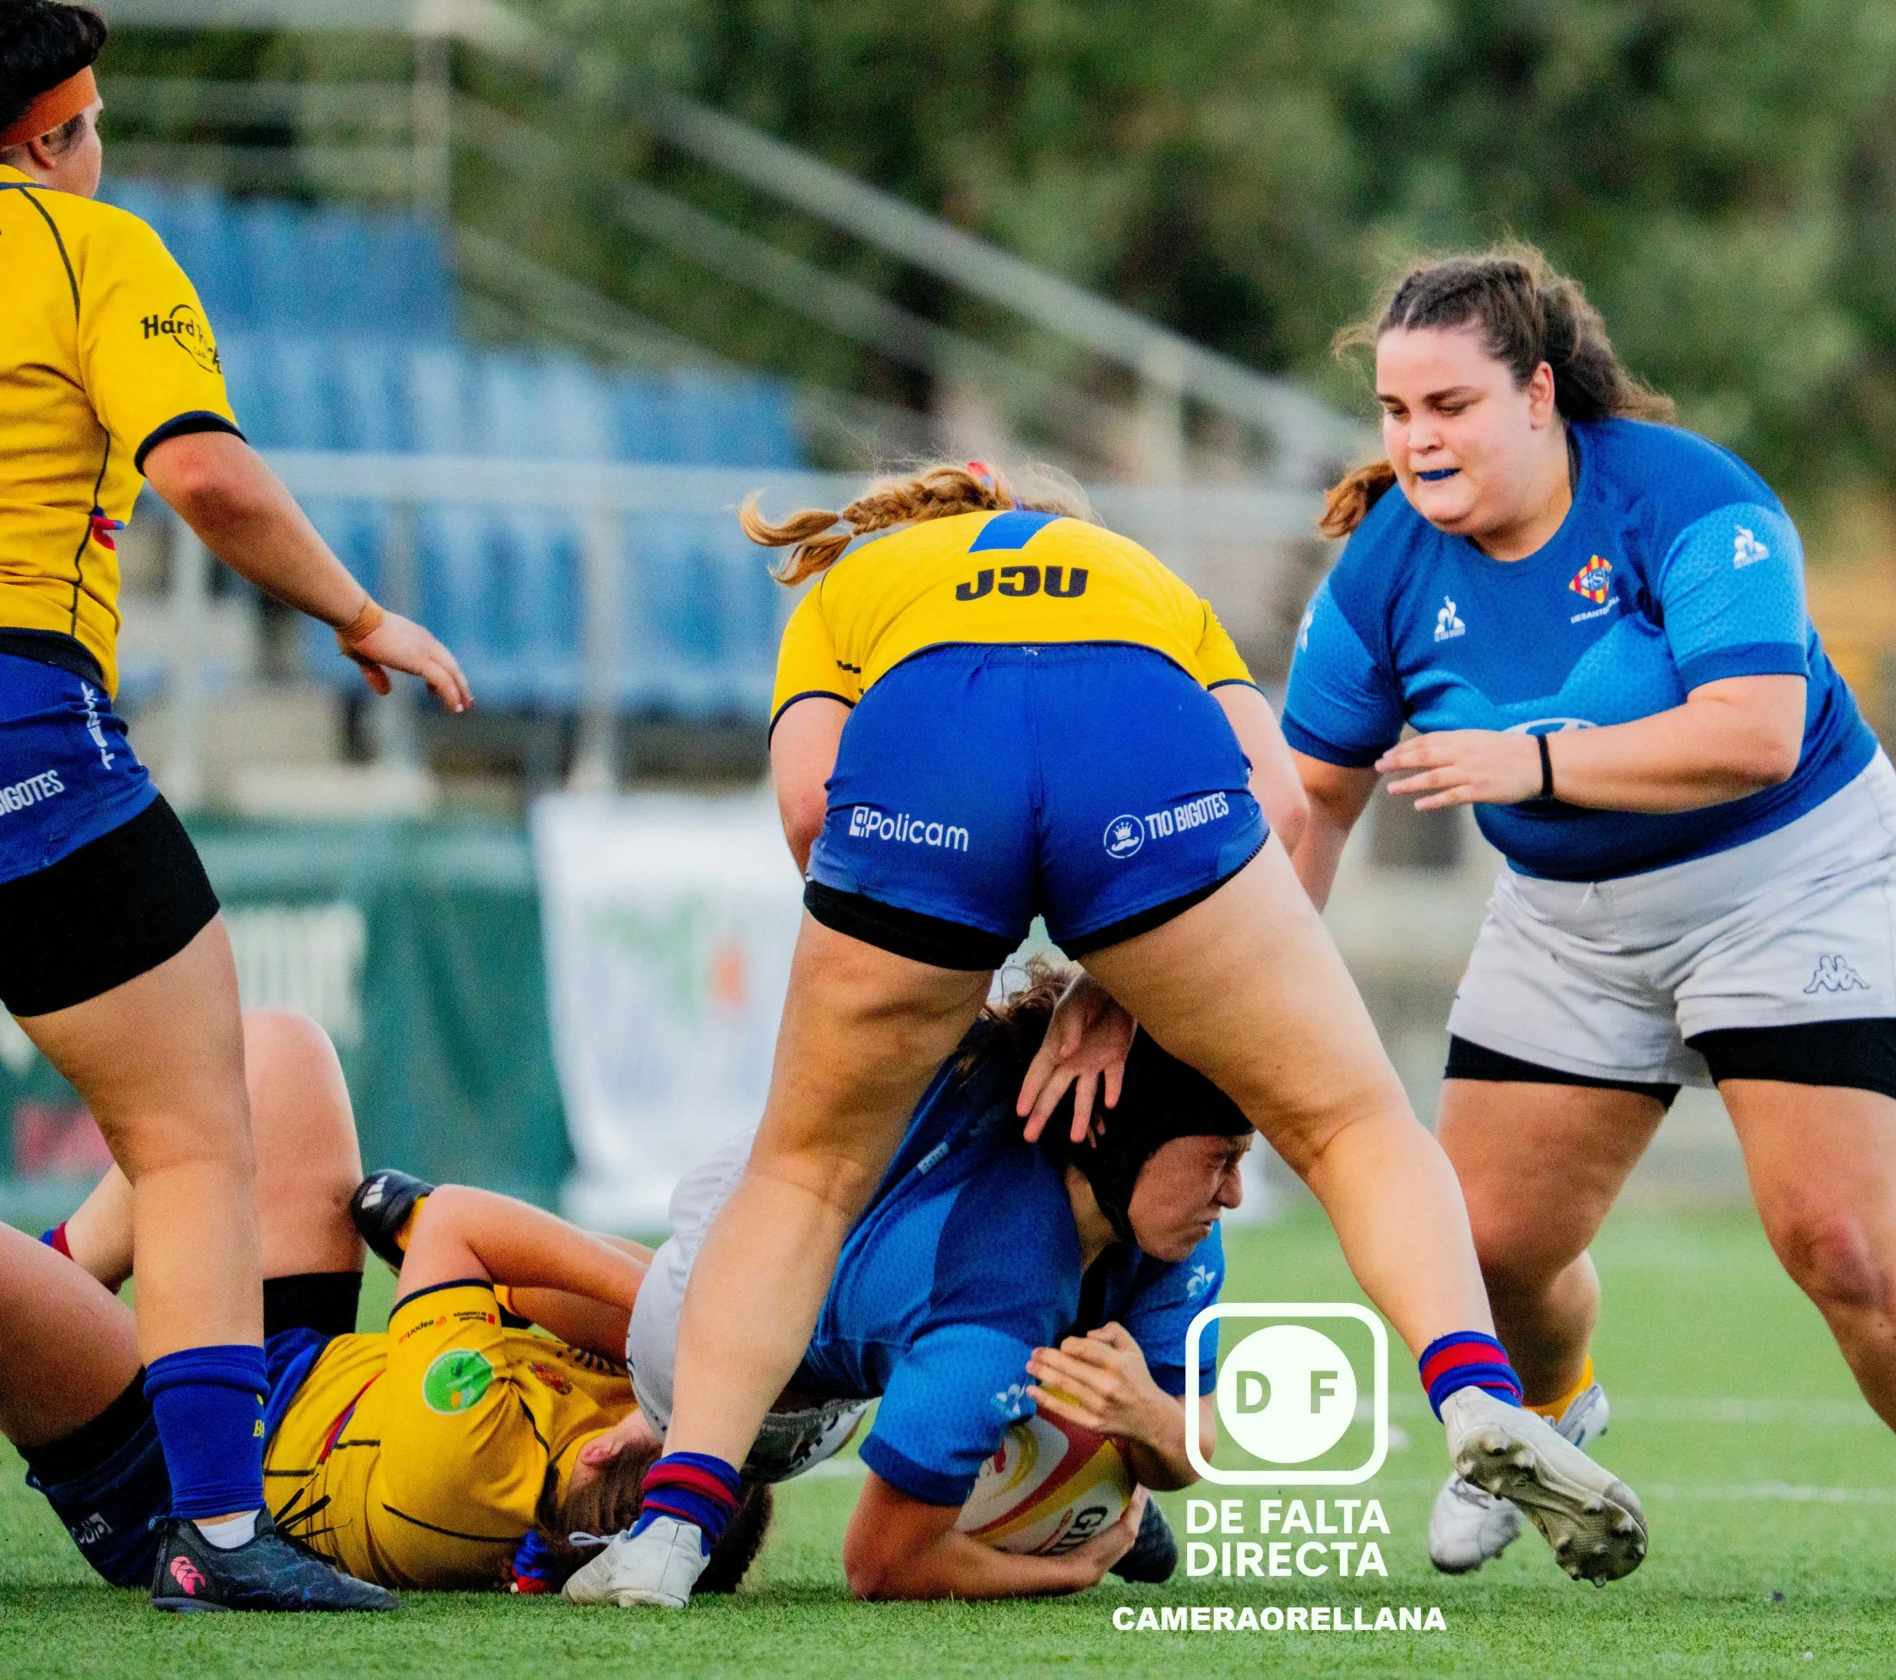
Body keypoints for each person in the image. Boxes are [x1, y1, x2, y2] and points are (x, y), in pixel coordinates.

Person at [566, 461, 1644, 1609]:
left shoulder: (860, 582)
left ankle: (673, 1533)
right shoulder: (1135, 573)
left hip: (931, 760)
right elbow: (1279, 805)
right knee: (1350, 1124)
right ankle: (1479, 1394)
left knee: (804, 1175)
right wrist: (1118, 977)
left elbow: (807, 807)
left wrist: (922, 966)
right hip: (1135, 748)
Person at [1281, 246, 1896, 1602]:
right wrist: (1233, 994)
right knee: (1479, 1248)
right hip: (1570, 911)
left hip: (1786, 877)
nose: (1417, 439)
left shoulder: (1692, 501)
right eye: (1396, 410)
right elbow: (1312, 800)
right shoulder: (1385, 565)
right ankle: (1546, 1418)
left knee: (1838, 1240)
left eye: (1451, 406)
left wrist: (1530, 761)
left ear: (1540, 394)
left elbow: (1756, 734)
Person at [0, 0, 470, 1613]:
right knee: (198, 1129)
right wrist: (355, 612)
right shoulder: (88, 248)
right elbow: (203, 472)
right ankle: (210, 1528)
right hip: (22, 742)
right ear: (54, 132)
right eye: (94, 123)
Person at [1, 1010, 774, 1599]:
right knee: (278, 1049)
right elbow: (539, 1287)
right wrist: (690, 1337)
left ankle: (47, 1301)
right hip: (303, 1369)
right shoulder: (608, 1443)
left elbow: (456, 1228)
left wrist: (695, 1317)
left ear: (611, 1450)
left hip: (177, 1471)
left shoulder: (470, 1455)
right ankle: (67, 1268)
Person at [609, 969, 1251, 1601]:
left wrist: (1150, 1420)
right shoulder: (996, 1305)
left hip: (847, 1319)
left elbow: (1193, 1437)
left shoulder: (1169, 1230)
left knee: (1042, 1388)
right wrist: (1069, 1572)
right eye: (1220, 1159)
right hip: (721, 1357)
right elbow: (880, 1564)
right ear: (1117, 1132)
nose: (1234, 1194)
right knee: (593, 1484)